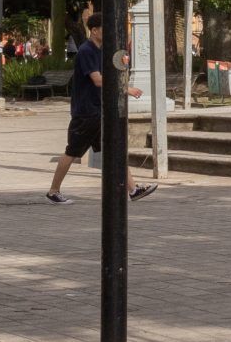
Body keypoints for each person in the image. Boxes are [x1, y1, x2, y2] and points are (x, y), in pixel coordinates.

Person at [48, 14, 156, 205]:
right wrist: (126, 89)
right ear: (95, 30)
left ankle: (133, 189)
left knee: (115, 147)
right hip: (87, 112)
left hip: (99, 111)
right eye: (104, 28)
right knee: (72, 152)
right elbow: (97, 80)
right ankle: (53, 191)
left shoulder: (101, 50)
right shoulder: (86, 51)